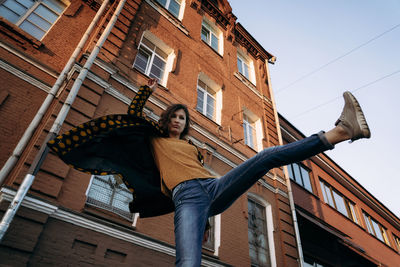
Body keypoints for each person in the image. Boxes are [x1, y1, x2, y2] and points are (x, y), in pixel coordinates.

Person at [48, 78, 370, 267]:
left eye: (183, 119)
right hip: (186, 198)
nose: (178, 122)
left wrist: (205, 218)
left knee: (267, 156)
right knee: (188, 263)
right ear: (166, 120)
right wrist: (145, 92)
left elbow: (201, 171)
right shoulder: (152, 139)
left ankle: (341, 131)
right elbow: (133, 116)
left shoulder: (191, 147)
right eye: (174, 117)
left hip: (211, 188)